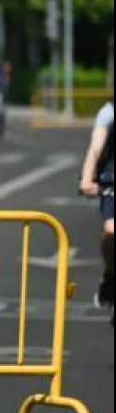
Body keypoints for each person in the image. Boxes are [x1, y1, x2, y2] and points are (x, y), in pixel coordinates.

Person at [79, 100, 113, 309]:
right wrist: (87, 178)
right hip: (112, 180)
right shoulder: (109, 111)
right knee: (111, 230)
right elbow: (96, 147)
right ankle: (111, 276)